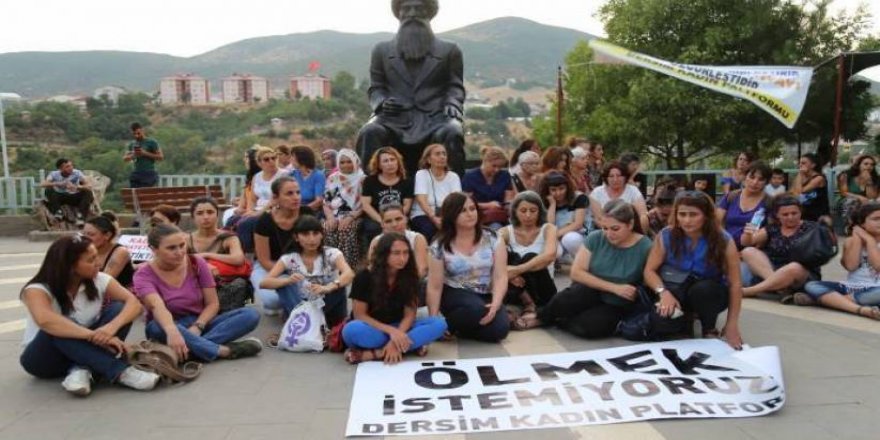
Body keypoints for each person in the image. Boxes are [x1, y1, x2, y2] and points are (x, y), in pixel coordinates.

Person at [20, 235, 160, 395]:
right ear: (70, 266)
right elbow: (46, 321)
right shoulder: (37, 289)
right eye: (91, 260)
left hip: (86, 348)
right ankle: (121, 372)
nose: (98, 264)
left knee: (118, 308)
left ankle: (80, 369)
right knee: (60, 324)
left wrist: (110, 328)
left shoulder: (99, 279)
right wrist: (95, 336)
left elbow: (134, 304)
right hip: (44, 358)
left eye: (97, 257)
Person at [355, 0, 466, 176]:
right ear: (398, 13)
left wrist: (453, 103)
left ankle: (454, 195)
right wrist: (382, 102)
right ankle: (373, 191)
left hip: (435, 117)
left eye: (418, 8)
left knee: (452, 131)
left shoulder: (450, 50)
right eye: (406, 9)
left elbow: (455, 86)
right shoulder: (381, 50)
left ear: (429, 12)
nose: (412, 13)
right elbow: (376, 88)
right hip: (393, 118)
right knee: (369, 131)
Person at [516, 200, 652, 337]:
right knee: (567, 298)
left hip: (617, 303)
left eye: (615, 229)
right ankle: (541, 317)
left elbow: (650, 278)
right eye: (605, 228)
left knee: (589, 328)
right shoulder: (596, 238)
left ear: (630, 224)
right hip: (589, 291)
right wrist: (614, 287)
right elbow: (576, 273)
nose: (609, 234)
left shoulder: (645, 246)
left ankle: (557, 319)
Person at [134, 224, 262, 362]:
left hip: (202, 321)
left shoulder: (196, 263)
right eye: (171, 248)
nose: (179, 252)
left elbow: (212, 304)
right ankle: (223, 351)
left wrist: (198, 326)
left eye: (182, 245)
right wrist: (173, 331)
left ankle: (188, 352)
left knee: (250, 315)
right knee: (156, 326)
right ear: (154, 250)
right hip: (168, 326)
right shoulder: (143, 275)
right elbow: (156, 307)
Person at [643, 191, 743, 349]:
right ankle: (684, 321)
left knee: (704, 290)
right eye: (682, 214)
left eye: (693, 214)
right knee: (661, 323)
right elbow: (649, 271)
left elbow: (736, 284)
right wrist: (663, 293)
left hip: (708, 293)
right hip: (674, 290)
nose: (687, 220)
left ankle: (708, 326)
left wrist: (732, 324)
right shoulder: (666, 235)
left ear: (706, 215)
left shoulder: (723, 239)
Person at [342, 233, 447, 364]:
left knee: (439, 324)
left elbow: (410, 315)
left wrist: (395, 338)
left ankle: (374, 353)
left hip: (401, 327)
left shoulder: (411, 276)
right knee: (352, 330)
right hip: (373, 328)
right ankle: (408, 347)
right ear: (384, 254)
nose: (402, 258)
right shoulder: (364, 276)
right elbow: (360, 315)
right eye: (396, 253)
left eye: (406, 253)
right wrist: (392, 333)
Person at [426, 192, 509, 342]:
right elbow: (434, 286)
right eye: (463, 210)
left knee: (500, 331)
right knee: (475, 309)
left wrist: (496, 303)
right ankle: (442, 326)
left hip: (485, 292)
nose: (470, 214)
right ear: (451, 215)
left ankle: (460, 329)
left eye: (472, 208)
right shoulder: (439, 245)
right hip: (455, 291)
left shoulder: (493, 238)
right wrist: (433, 319)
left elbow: (500, 276)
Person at [259, 215, 354, 326]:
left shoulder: (332, 253)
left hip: (326, 303)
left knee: (339, 286)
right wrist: (288, 280)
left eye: (315, 233)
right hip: (299, 304)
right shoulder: (289, 258)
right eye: (305, 234)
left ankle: (319, 324)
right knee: (283, 282)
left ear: (321, 235)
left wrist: (328, 287)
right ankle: (306, 321)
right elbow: (263, 283)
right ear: (296, 237)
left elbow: (349, 273)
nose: (311, 239)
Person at [798, 202, 880, 319]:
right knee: (812, 285)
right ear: (862, 223)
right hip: (851, 287)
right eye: (876, 219)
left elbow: (878, 265)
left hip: (877, 289)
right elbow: (851, 266)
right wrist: (857, 237)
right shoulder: (850, 241)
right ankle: (860, 309)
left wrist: (870, 241)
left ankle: (824, 300)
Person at [740, 195, 823, 299]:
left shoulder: (812, 228)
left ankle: (751, 291)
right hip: (773, 270)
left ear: (800, 212)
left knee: (794, 267)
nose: (790, 217)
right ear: (777, 215)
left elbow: (822, 252)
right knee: (748, 251)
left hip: (801, 273)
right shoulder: (773, 228)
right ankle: (780, 288)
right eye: (785, 214)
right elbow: (747, 243)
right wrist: (747, 234)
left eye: (794, 213)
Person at [251, 177, 311, 315]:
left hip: (301, 265)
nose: (296, 197)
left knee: (314, 290)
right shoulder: (264, 221)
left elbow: (316, 249)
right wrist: (288, 274)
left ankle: (292, 307)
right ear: (276, 198)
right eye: (289, 193)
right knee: (272, 300)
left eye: (298, 192)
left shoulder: (307, 214)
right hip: (269, 266)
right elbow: (264, 260)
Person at [500, 191, 558, 315]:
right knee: (506, 255)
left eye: (533, 210)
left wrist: (516, 270)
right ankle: (525, 304)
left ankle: (532, 307)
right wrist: (512, 276)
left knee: (529, 256)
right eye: (523, 210)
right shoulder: (505, 232)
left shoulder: (548, 229)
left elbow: (549, 255)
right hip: (518, 289)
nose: (528, 215)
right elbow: (490, 258)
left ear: (539, 211)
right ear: (515, 211)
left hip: (543, 288)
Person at [361, 146, 414, 246]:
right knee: (374, 228)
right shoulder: (370, 181)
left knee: (401, 227)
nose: (390, 163)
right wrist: (382, 220)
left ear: (398, 162)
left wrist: (396, 218)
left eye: (392, 160)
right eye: (385, 161)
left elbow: (407, 205)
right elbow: (366, 205)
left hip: (399, 215)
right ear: (379, 165)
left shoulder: (407, 181)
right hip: (376, 216)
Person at [237, 146, 287, 251]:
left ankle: (248, 254)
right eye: (266, 159)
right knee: (233, 220)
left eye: (274, 158)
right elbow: (252, 198)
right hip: (257, 209)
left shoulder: (283, 175)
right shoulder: (257, 176)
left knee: (245, 224)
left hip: (274, 210)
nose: (271, 161)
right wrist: (249, 210)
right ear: (259, 163)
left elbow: (276, 200)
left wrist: (256, 214)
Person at [323, 149, 366, 266]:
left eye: (349, 161)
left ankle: (348, 266)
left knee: (346, 230)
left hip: (355, 214)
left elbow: (365, 205)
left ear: (355, 162)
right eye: (342, 162)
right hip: (334, 214)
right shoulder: (333, 178)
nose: (346, 165)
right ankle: (330, 266)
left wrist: (350, 217)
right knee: (327, 228)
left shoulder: (362, 179)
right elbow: (326, 203)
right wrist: (331, 218)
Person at [410, 143, 462, 241]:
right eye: (437, 154)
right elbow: (421, 200)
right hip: (423, 214)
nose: (442, 157)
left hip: (447, 215)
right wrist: (434, 218)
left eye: (444, 154)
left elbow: (456, 201)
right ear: (428, 160)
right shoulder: (422, 174)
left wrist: (446, 219)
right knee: (430, 230)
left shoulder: (453, 176)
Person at [716, 162, 771, 249]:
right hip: (724, 246)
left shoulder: (769, 202)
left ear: (766, 182)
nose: (755, 182)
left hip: (752, 251)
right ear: (745, 177)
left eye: (761, 179)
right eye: (752, 177)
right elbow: (716, 222)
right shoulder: (731, 197)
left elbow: (769, 232)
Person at [188, 197, 247, 276]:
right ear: (193, 217)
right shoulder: (186, 239)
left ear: (217, 215)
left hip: (225, 281)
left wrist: (207, 255)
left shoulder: (228, 237)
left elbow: (238, 259)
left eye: (210, 212)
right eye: (199, 213)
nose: (206, 217)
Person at [368, 203, 429, 278]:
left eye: (398, 219)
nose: (394, 224)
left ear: (406, 219)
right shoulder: (377, 241)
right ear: (382, 224)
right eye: (388, 221)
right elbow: (372, 269)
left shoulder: (417, 239)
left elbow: (421, 270)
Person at [462, 146, 514, 230]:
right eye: (494, 166)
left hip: (500, 215)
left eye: (500, 167)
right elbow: (465, 203)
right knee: (496, 227)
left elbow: (508, 199)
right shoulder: (470, 176)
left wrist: (508, 205)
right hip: (477, 215)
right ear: (485, 161)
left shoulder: (505, 175)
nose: (497, 170)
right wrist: (487, 205)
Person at [589, 162, 649, 233]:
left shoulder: (633, 190)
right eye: (611, 176)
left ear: (625, 177)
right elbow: (598, 219)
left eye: (619, 175)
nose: (615, 179)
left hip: (630, 230)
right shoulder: (596, 193)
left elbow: (643, 214)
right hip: (606, 230)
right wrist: (615, 230)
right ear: (606, 178)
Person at [540, 171, 588, 259]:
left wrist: (555, 235)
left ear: (567, 187)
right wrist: (552, 205)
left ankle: (582, 261)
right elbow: (550, 224)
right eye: (553, 190)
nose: (558, 193)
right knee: (554, 251)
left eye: (561, 189)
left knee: (570, 239)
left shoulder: (578, 198)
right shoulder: (544, 201)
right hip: (556, 236)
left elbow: (578, 224)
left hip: (576, 234)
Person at [82, 213, 134, 287]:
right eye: (84, 234)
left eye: (91, 234)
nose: (85, 238)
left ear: (107, 235)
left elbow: (104, 282)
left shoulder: (120, 252)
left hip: (120, 295)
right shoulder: (84, 251)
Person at [836, 154, 878, 228]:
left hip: (866, 203)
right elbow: (843, 193)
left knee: (873, 204)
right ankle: (851, 227)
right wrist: (859, 197)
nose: (869, 166)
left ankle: (868, 227)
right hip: (847, 200)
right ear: (859, 165)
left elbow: (871, 197)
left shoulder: (874, 179)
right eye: (866, 164)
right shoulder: (846, 175)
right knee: (852, 201)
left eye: (872, 165)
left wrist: (869, 182)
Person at [791, 153, 831, 225]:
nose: (800, 165)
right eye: (799, 163)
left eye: (803, 163)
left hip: (818, 214)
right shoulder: (801, 178)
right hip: (804, 212)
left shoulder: (819, 178)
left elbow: (800, 193)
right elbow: (793, 193)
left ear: (813, 165)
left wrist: (800, 173)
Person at [124, 122, 163, 188]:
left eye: (138, 133)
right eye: (134, 134)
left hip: (149, 173)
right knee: (134, 195)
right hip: (136, 173)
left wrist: (144, 153)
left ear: (142, 130)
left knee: (145, 194)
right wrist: (134, 155)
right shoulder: (132, 144)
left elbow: (160, 157)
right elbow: (125, 158)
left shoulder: (152, 142)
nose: (136, 136)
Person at [289, 145, 325, 212]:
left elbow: (319, 200)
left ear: (301, 158)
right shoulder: (292, 175)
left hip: (310, 212)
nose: (290, 159)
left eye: (292, 156)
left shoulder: (318, 175)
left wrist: (301, 210)